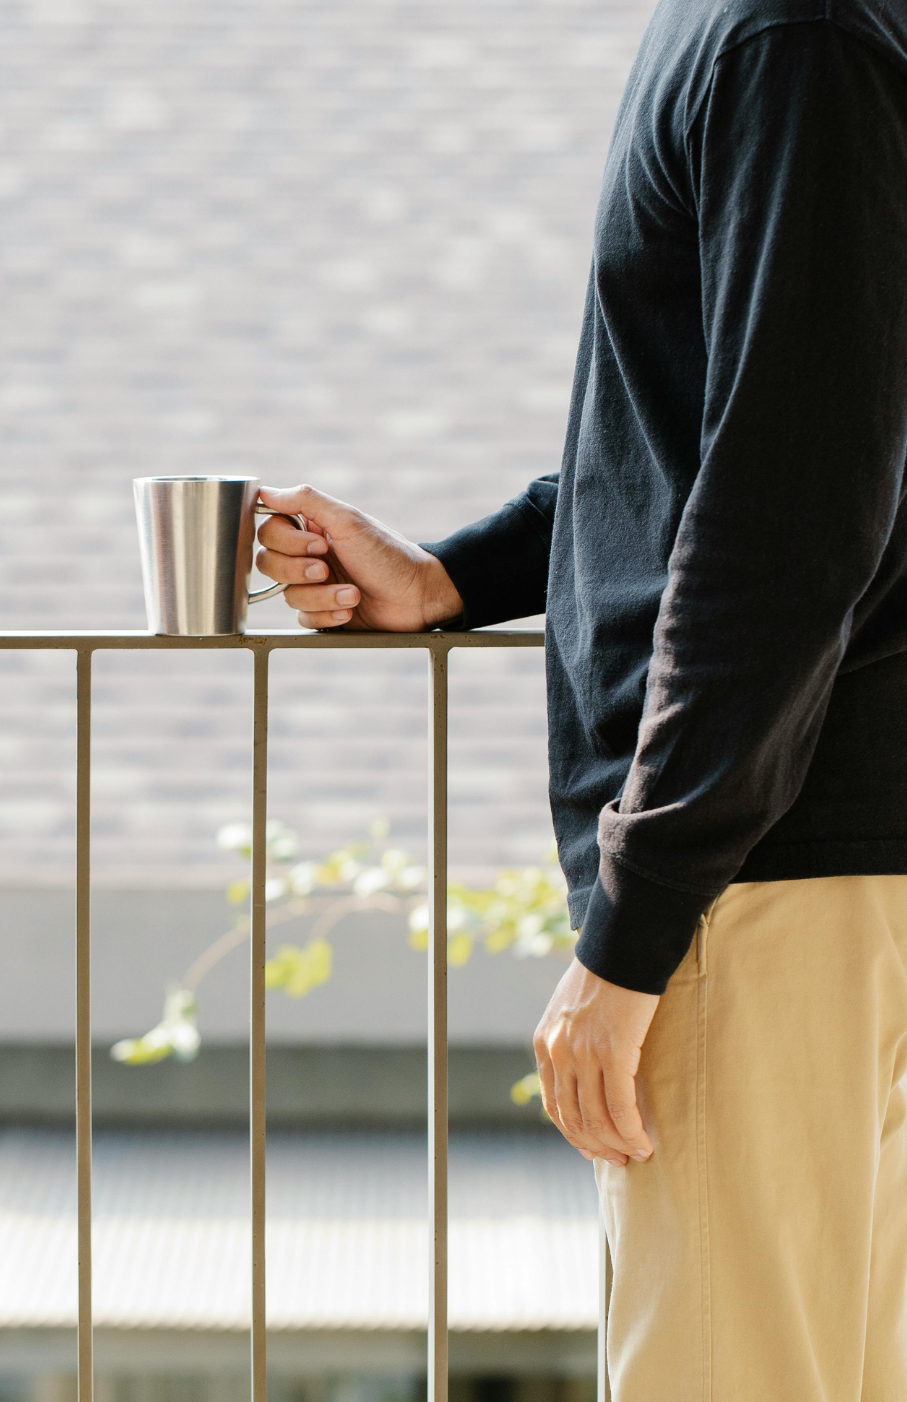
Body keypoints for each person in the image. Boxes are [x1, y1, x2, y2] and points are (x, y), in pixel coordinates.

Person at [258, 0, 907, 1394]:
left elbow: (788, 502)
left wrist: (635, 929)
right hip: (817, 855)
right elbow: (705, 436)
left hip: (773, 871)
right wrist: (449, 573)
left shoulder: (793, 37)